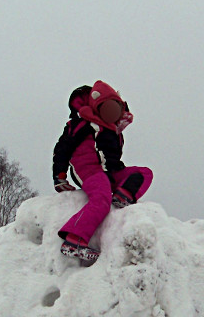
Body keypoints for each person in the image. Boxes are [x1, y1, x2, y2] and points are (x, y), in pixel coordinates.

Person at [52, 80, 153, 261]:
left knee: (145, 173)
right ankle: (74, 240)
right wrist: (60, 176)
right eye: (106, 109)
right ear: (98, 108)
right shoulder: (82, 124)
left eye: (115, 111)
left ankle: (123, 196)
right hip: (88, 170)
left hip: (110, 172)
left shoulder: (115, 133)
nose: (111, 114)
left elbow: (113, 159)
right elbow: (62, 149)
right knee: (101, 198)